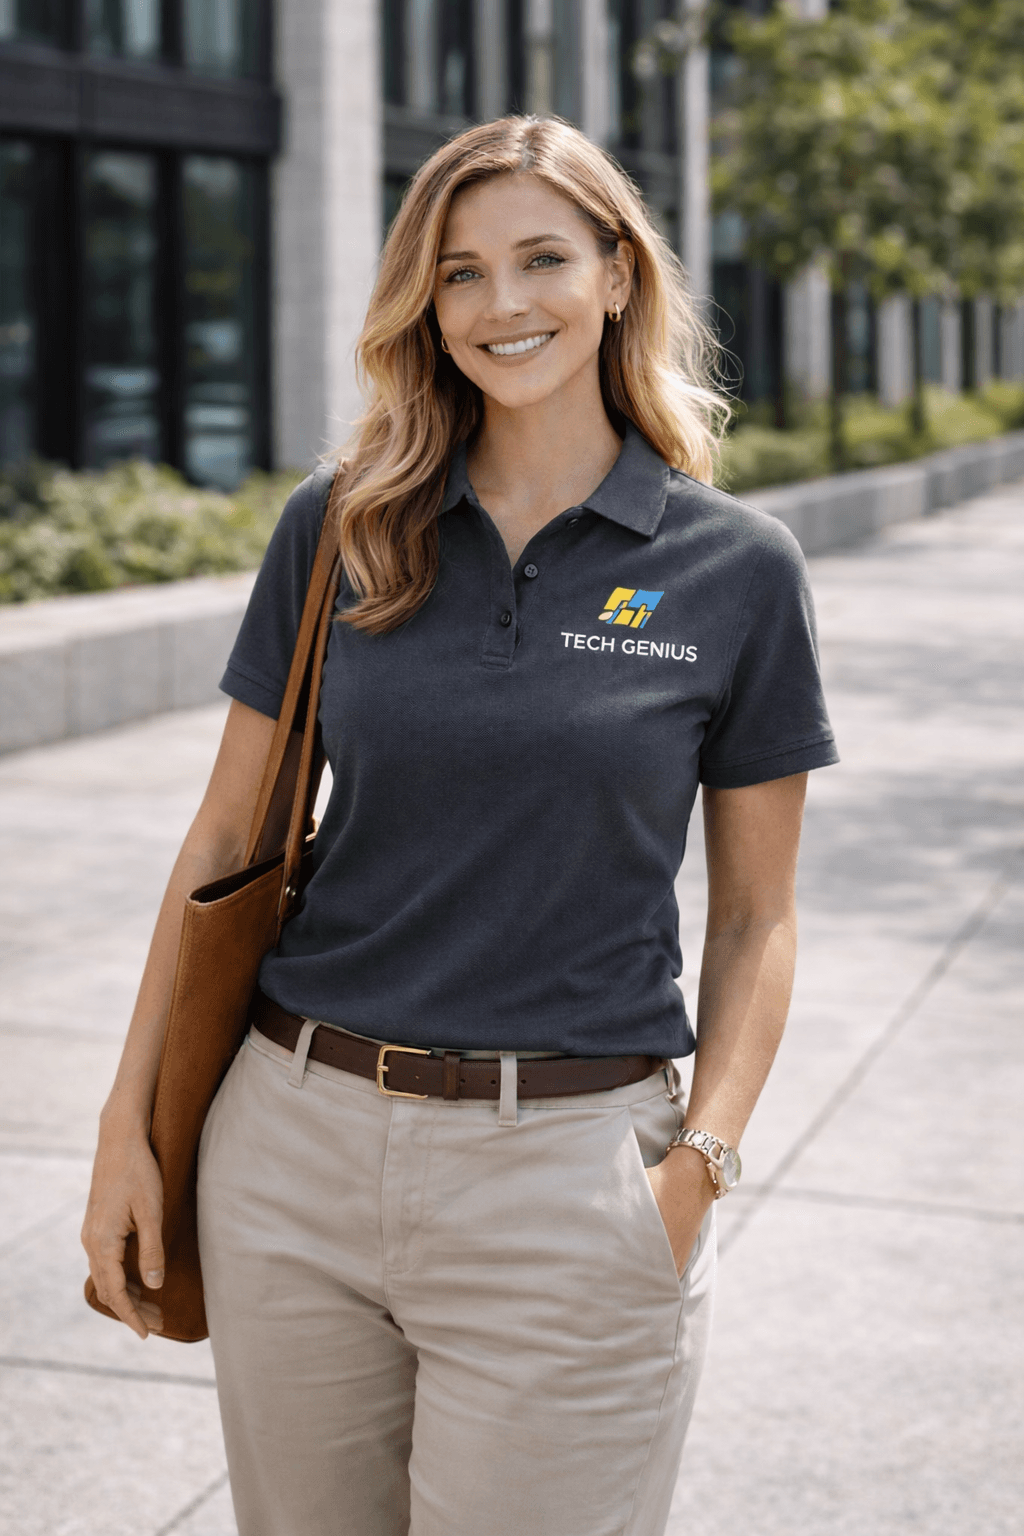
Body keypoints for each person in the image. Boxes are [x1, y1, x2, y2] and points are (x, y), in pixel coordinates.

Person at [82, 115, 837, 1536]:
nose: (504, 306)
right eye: (460, 273)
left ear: (618, 273)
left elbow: (757, 918)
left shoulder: (736, 571)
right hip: (293, 1150)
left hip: (567, 1178)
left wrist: (699, 1172)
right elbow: (220, 844)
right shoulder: (345, 526)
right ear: (423, 306)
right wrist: (132, 1130)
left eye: (543, 259)